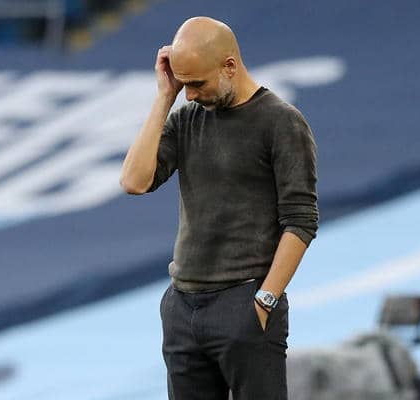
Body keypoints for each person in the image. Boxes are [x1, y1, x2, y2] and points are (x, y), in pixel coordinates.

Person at [119, 17, 318, 399]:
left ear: (229, 66)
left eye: (197, 83)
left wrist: (265, 301)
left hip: (244, 302)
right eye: (184, 85)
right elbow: (134, 181)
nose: (190, 95)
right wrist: (164, 98)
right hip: (182, 306)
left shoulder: (281, 122)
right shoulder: (186, 118)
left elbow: (301, 221)